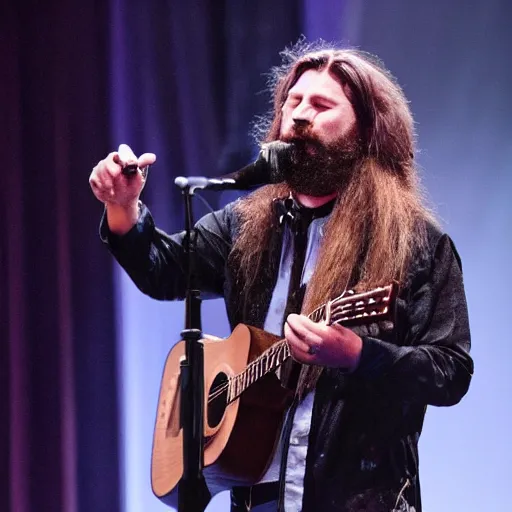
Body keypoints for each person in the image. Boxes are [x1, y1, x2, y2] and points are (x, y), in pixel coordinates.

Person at [89, 42, 473, 512]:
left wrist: (359, 354)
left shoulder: (415, 242)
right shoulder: (244, 225)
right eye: (293, 101)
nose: (300, 115)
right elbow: (165, 271)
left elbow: (450, 371)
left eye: (322, 104)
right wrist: (122, 207)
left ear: (367, 131)